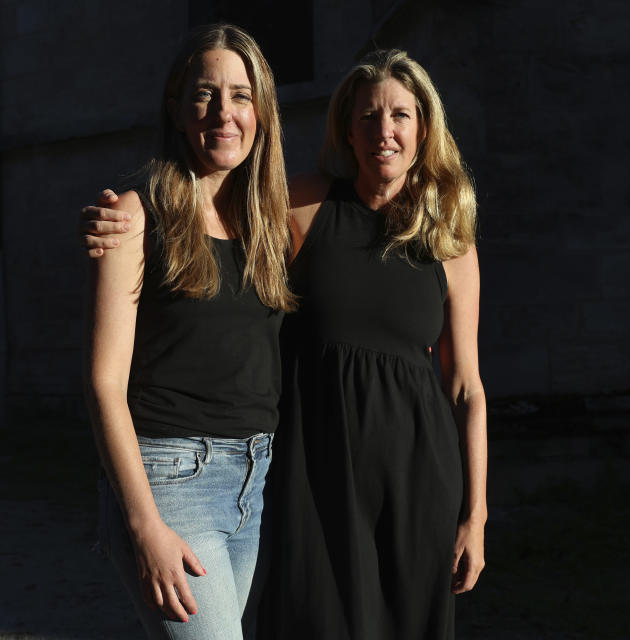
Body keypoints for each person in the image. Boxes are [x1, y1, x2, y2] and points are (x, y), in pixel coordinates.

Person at [84, 48, 486, 640]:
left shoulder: (452, 240)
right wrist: (113, 225)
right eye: (369, 116)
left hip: (416, 480)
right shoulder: (299, 207)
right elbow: (207, 219)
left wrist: (474, 516)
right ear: (346, 128)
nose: (385, 131)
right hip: (309, 472)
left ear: (425, 128)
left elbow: (466, 384)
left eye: (401, 115)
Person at [83, 23, 293, 640]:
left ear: (262, 112)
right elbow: (102, 384)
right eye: (204, 94)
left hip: (255, 480)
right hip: (171, 480)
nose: (223, 113)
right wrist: (143, 525)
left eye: (240, 95)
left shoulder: (273, 222)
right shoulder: (133, 213)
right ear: (177, 109)